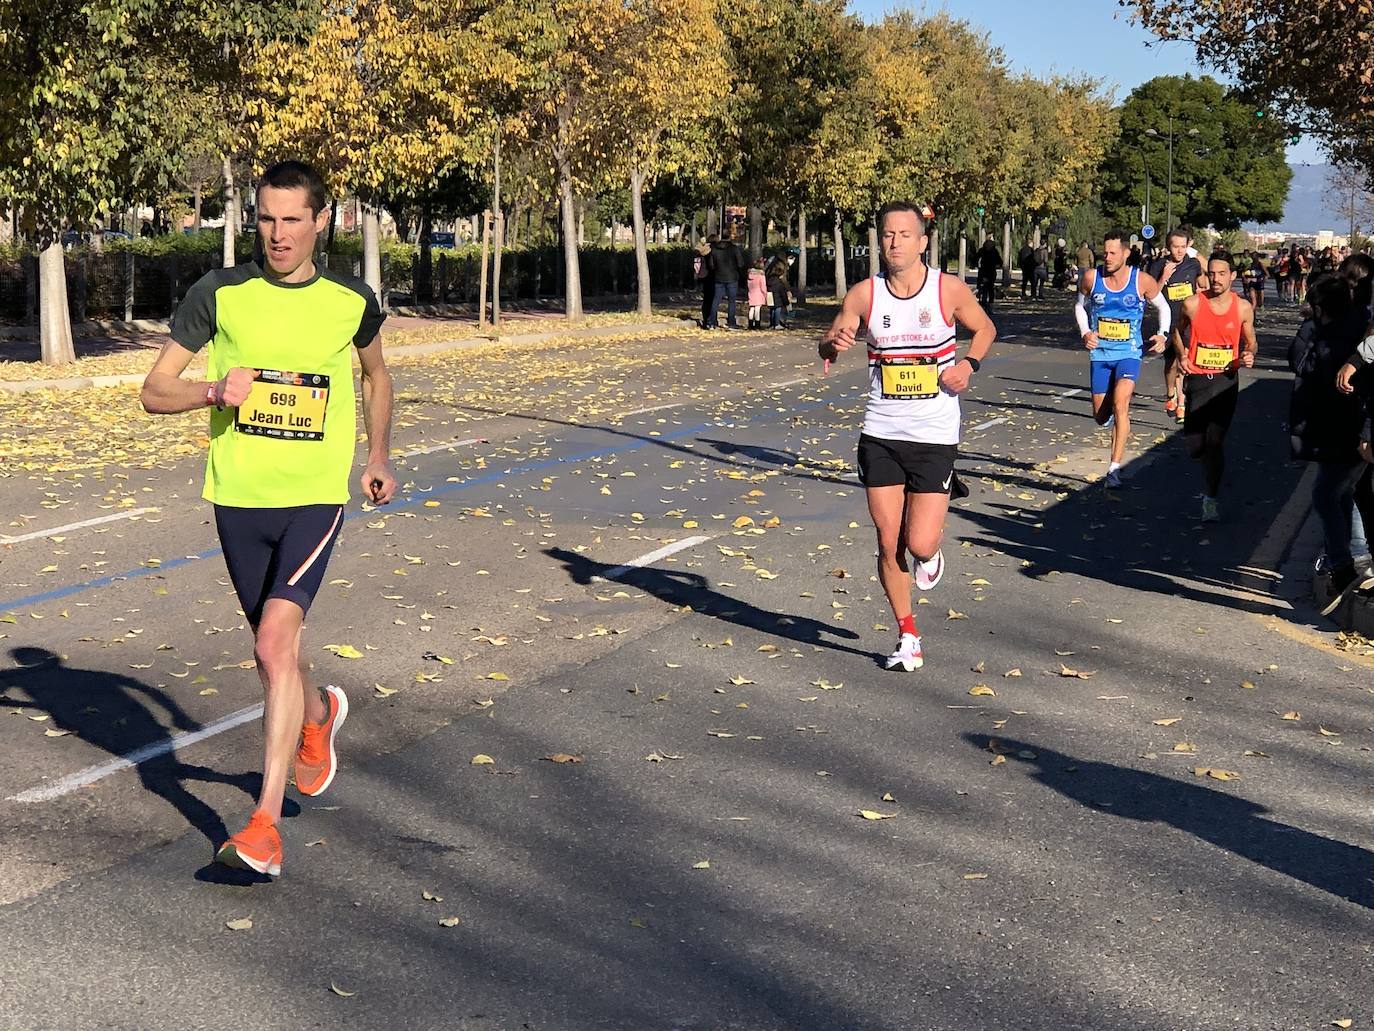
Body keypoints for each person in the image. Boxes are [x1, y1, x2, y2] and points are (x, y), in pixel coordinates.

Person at [140, 161, 395, 877]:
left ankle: (263, 825)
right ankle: (318, 718)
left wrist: (377, 452)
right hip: (239, 499)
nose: (278, 234)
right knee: (278, 651)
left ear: (323, 221)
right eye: (266, 218)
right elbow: (154, 392)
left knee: (272, 646)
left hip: (316, 495)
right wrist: (213, 389)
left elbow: (377, 374)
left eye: (292, 219)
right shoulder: (219, 293)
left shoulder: (351, 300)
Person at [818, 201, 995, 672]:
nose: (894, 242)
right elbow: (832, 336)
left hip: (935, 433)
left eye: (903, 234)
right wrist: (832, 344)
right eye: (887, 234)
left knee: (918, 544)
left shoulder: (948, 290)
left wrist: (968, 364)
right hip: (880, 431)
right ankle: (908, 634)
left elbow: (984, 329)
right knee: (886, 538)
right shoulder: (864, 295)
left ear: (922, 241)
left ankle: (932, 536)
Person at [1289, 273, 1374, 614]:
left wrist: (1308, 328)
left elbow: (1301, 362)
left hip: (1344, 431)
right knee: (1340, 492)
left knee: (1326, 494)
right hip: (1342, 430)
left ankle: (1342, 566)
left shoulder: (1331, 338)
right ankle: (1351, 556)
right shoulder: (1359, 329)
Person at [1075, 229, 1172, 488]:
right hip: (1100, 354)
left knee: (1121, 404)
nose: (1107, 257)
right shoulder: (1091, 278)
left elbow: (1163, 306)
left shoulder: (1141, 280)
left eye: (1112, 253)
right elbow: (1079, 306)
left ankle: (1114, 469)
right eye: (1104, 252)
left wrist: (1162, 334)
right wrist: (1085, 332)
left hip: (1129, 352)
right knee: (1099, 415)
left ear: (1126, 253)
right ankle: (1107, 420)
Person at [1170, 252, 1257, 522]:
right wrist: (1182, 355)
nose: (1216, 279)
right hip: (1197, 379)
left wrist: (1249, 354)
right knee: (1195, 446)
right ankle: (1205, 462)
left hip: (1225, 381)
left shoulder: (1242, 308)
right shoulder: (1193, 304)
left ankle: (1210, 498)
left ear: (1232, 276)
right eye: (1212, 273)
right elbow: (1177, 331)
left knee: (1215, 442)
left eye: (1222, 274)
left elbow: (1251, 341)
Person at [1146, 229, 1207, 424]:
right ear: (1168, 247)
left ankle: (1181, 401)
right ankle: (1170, 393)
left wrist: (1200, 286)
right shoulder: (1157, 266)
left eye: (1183, 247)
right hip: (1168, 322)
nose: (1179, 251)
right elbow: (1150, 295)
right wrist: (1163, 277)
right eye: (1175, 247)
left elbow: (1205, 278)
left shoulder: (1193, 264)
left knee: (1185, 361)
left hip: (1189, 322)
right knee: (1171, 364)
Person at [705, 229, 745, 329]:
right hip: (732, 277)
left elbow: (711, 265)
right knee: (731, 301)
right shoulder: (734, 248)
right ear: (729, 236)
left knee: (716, 300)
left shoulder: (714, 249)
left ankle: (711, 322)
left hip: (718, 277)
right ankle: (731, 322)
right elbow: (741, 263)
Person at [765, 256, 792, 329]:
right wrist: (786, 302)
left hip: (771, 297)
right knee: (777, 310)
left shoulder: (769, 281)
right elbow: (782, 293)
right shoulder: (779, 283)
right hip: (778, 300)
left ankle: (772, 323)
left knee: (772, 310)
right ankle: (776, 324)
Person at [695, 235, 715, 329]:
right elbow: (712, 265)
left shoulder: (698, 251)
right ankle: (711, 320)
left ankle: (705, 319)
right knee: (712, 299)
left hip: (701, 276)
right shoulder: (711, 252)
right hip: (711, 276)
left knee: (706, 300)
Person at [976, 238, 1001, 308]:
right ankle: (989, 304)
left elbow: (976, 258)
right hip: (990, 271)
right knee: (990, 288)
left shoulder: (982, 250)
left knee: (984, 288)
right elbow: (999, 261)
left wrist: (975, 265)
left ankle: (984, 302)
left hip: (984, 271)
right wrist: (997, 265)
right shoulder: (994, 251)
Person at [746, 256, 768, 329]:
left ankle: (750, 324)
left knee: (751, 309)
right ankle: (757, 324)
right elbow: (763, 287)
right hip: (759, 294)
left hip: (751, 293)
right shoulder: (761, 276)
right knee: (757, 309)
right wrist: (765, 294)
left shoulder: (750, 275)